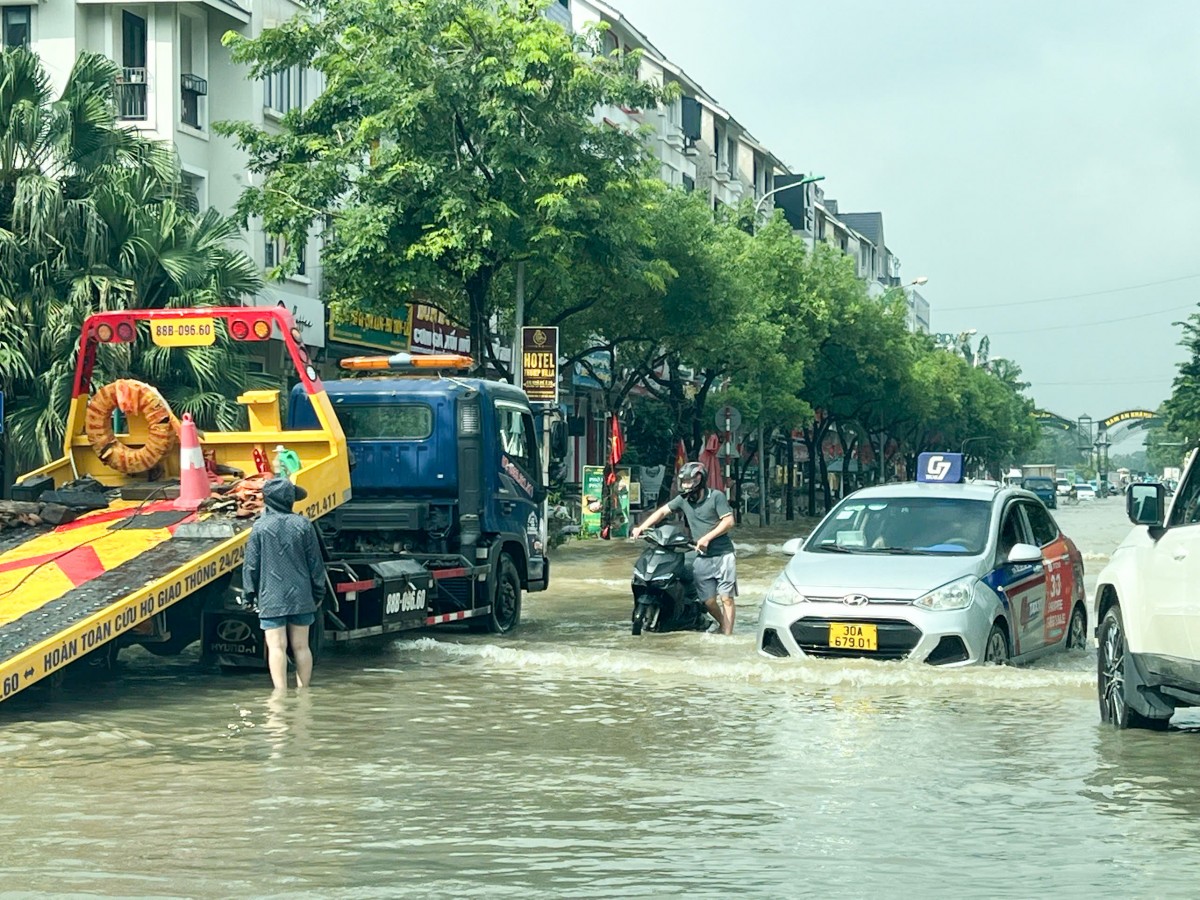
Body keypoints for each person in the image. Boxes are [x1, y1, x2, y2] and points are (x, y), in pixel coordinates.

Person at [631, 461, 738, 635]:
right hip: (701, 556)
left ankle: (727, 635)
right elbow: (662, 512)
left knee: (726, 598)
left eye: (689, 481)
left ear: (699, 480)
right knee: (708, 601)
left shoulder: (716, 496)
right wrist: (642, 527)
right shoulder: (683, 499)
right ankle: (723, 625)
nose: (686, 485)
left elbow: (728, 522)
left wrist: (707, 538)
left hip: (723, 555)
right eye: (684, 481)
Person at [243, 477, 325, 692]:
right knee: (301, 646)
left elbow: (251, 566)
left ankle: (279, 695)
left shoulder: (260, 528)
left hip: (271, 596)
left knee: (276, 647)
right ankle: (303, 691)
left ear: (268, 500)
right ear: (290, 500)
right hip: (301, 595)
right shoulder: (304, 525)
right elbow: (316, 564)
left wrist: (248, 596)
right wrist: (318, 593)